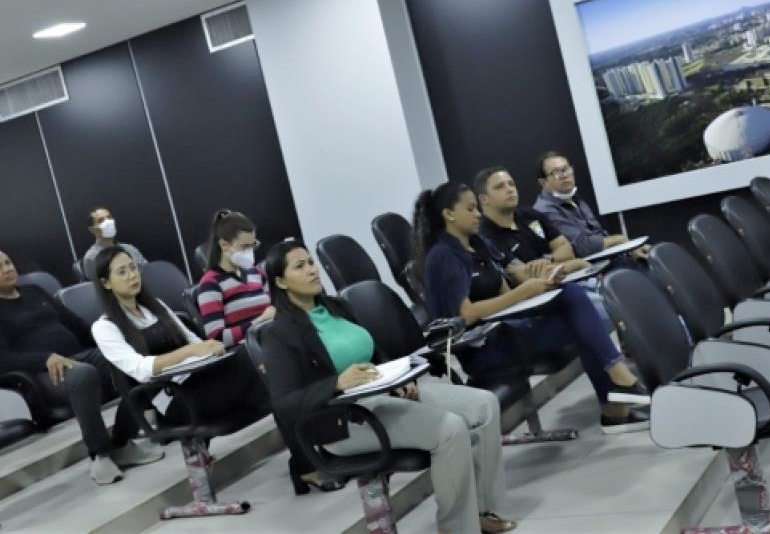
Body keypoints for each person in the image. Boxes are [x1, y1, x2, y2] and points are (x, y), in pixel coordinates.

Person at [261, 239, 516, 534]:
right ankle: (457, 528)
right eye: (300, 266)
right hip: (343, 419)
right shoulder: (279, 333)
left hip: (383, 392)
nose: (311, 270)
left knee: (484, 404)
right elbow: (284, 403)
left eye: (310, 262)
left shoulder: (338, 307)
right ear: (281, 282)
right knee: (450, 428)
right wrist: (336, 383)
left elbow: (374, 353)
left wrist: (400, 380)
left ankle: (482, 511)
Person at [413, 182, 650, 434]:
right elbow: (467, 314)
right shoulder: (443, 256)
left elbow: (506, 291)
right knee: (582, 326)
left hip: (507, 329)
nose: (478, 214)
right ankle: (616, 398)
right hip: (485, 349)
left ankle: (617, 387)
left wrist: (542, 285)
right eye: (470, 209)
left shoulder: (477, 244)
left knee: (572, 296)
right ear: (449, 214)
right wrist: (524, 291)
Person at [0, 250, 162, 485]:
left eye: (8, 262)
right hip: (45, 375)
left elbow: (76, 324)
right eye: (0, 267)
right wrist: (45, 358)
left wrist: (111, 342)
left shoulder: (35, 291)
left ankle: (121, 443)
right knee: (83, 374)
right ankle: (100, 454)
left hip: (79, 356)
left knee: (130, 360)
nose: (7, 268)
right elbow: (3, 359)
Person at [91, 246, 267, 431]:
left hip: (201, 376)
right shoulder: (104, 327)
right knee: (257, 370)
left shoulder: (156, 306)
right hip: (175, 397)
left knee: (252, 355)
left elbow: (193, 342)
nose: (132, 275)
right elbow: (141, 369)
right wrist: (189, 352)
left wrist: (210, 348)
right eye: (122, 272)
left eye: (133, 267)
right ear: (106, 283)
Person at [473, 166, 612, 330]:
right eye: (499, 187)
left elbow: (567, 249)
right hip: (544, 300)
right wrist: (578, 264)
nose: (509, 189)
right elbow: (526, 278)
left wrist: (548, 259)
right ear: (484, 199)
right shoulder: (485, 236)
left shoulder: (530, 215)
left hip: (573, 280)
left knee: (620, 291)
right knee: (614, 310)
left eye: (511, 184)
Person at [532, 152, 650, 260]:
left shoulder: (574, 198)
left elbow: (600, 235)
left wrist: (630, 249)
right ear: (543, 182)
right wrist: (621, 240)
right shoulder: (545, 210)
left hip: (610, 257)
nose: (565, 175)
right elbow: (582, 247)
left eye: (566, 169)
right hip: (591, 267)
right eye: (556, 172)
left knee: (651, 254)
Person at [197, 210, 275, 348]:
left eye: (253, 245)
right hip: (248, 350)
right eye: (244, 247)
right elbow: (217, 339)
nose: (249, 251)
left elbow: (273, 308)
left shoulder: (256, 273)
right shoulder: (210, 284)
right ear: (224, 246)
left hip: (272, 340)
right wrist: (259, 321)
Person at [83, 207, 147, 281]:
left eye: (109, 217)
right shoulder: (92, 257)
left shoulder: (130, 249)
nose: (108, 222)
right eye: (101, 220)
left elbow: (148, 271)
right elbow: (98, 286)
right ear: (92, 230)